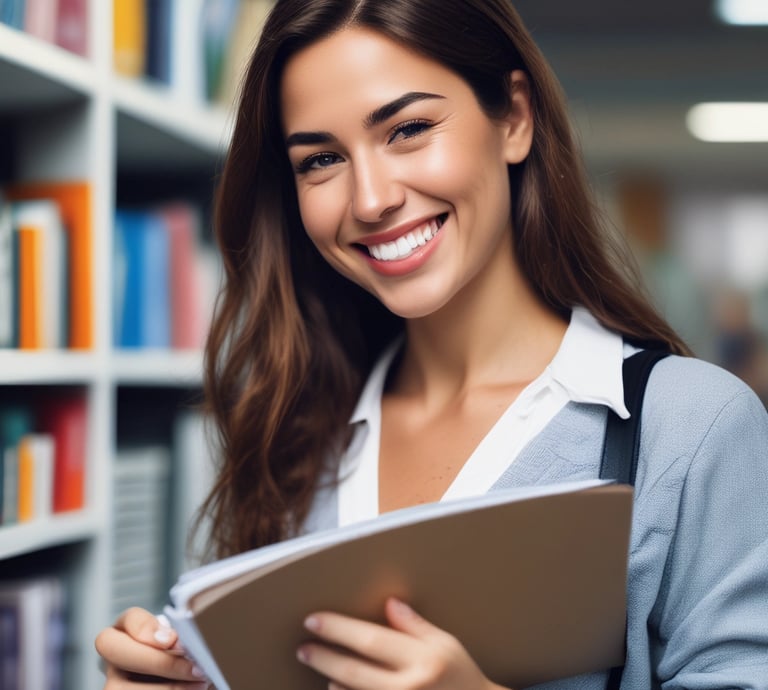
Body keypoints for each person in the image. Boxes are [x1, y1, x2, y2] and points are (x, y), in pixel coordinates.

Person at [95, 0, 768, 688]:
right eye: (321, 159)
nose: (371, 199)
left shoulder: (691, 428)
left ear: (514, 117)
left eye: (409, 129)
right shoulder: (298, 426)